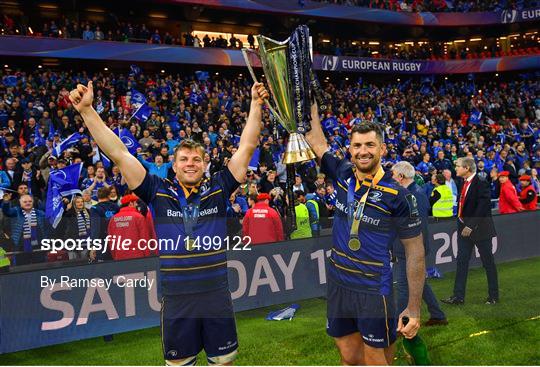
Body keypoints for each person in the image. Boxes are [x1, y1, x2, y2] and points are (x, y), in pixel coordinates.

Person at [69, 80, 268, 366]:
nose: (190, 163)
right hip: (177, 299)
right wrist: (88, 111)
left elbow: (247, 146)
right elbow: (119, 153)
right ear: (174, 166)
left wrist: (255, 103)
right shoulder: (156, 191)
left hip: (216, 295)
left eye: (197, 159)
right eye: (184, 159)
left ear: (205, 164)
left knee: (224, 362)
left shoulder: (219, 187)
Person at [306, 107, 425, 365]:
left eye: (370, 145)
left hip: (373, 288)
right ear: (350, 149)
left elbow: (415, 252)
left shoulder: (399, 197)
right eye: (357, 145)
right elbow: (316, 141)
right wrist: (311, 104)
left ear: (382, 149)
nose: (363, 151)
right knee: (349, 357)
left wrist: (414, 308)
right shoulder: (342, 173)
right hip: (338, 282)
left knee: (376, 360)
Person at [391, 162, 448, 326]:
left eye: (393, 175)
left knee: (403, 286)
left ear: (401, 177)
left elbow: (419, 226)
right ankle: (437, 315)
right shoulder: (413, 193)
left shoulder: (415, 195)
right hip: (407, 248)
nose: (391, 178)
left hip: (410, 250)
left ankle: (399, 324)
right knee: (419, 282)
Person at [442, 157, 499, 305]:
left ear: (467, 168)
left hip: (480, 230)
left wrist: (471, 225)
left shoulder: (481, 182)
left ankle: (493, 296)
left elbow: (483, 207)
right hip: (463, 229)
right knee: (461, 262)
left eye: (458, 166)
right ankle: (458, 297)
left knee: (488, 263)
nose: (456, 169)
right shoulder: (463, 182)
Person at [1, 193, 49, 265]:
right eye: (25, 202)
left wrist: (45, 239)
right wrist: (6, 202)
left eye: (30, 201)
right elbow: (6, 211)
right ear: (20, 203)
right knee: (22, 266)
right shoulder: (16, 211)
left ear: (33, 202)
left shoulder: (40, 213)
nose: (28, 203)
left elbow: (46, 228)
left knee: (40, 265)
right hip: (21, 245)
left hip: (38, 244)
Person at [108, 194, 154, 260]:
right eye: (135, 203)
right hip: (137, 256)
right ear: (130, 203)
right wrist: (147, 256)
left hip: (119, 256)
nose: (136, 205)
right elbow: (144, 238)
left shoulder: (113, 219)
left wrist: (115, 256)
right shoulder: (139, 217)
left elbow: (111, 240)